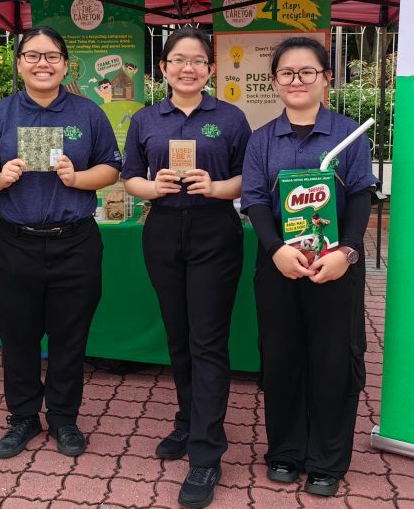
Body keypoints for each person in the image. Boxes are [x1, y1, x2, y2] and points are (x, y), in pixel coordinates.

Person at [0, 26, 121, 460]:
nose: (42, 63)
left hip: (75, 242)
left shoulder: (88, 114)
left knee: (70, 338)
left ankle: (63, 418)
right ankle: (21, 418)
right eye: (32, 55)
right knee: (17, 338)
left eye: (52, 56)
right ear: (18, 63)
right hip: (15, 242)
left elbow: (110, 168)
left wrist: (79, 178)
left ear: (66, 64)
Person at [241, 36, 378, 498]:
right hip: (278, 265)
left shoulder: (349, 134)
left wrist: (348, 252)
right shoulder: (261, 140)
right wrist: (275, 248)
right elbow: (256, 200)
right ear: (275, 82)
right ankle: (285, 451)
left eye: (307, 72)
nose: (296, 81)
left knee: (333, 362)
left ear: (326, 78)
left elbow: (361, 195)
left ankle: (327, 459)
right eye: (286, 73)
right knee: (281, 360)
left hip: (336, 266)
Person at [123, 27, 251, 509]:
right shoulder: (145, 119)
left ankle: (206, 452)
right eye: (178, 60)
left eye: (198, 60)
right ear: (163, 68)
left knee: (207, 340)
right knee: (177, 336)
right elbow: (128, 174)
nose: (188, 68)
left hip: (214, 230)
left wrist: (216, 187)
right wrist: (150, 189)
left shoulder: (232, 118)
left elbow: (247, 178)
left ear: (211, 69)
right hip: (162, 229)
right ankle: (187, 420)